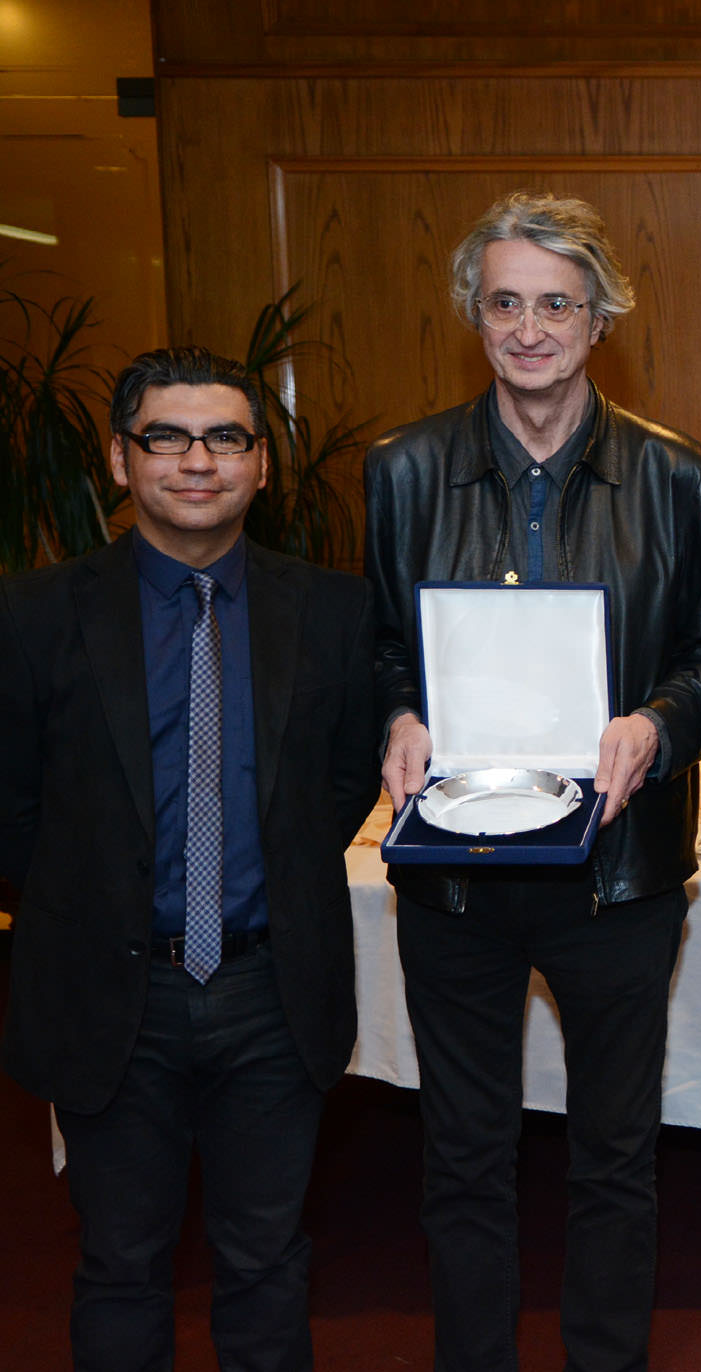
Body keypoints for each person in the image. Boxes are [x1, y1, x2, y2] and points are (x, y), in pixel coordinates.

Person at [363, 191, 701, 1372]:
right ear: (476, 314)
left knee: (614, 1156)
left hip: (616, 875)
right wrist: (399, 711)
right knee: (462, 1156)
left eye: (556, 304)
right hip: (453, 877)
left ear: (598, 319)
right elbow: (372, 646)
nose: (531, 327)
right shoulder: (404, 469)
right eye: (507, 301)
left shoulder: (674, 474)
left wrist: (658, 725)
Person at [0, 346, 376, 1371]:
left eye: (224, 437)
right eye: (167, 437)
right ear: (123, 461)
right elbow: (14, 810)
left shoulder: (334, 613)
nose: (196, 460)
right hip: (107, 995)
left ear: (261, 462)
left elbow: (342, 787)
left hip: (270, 989)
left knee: (266, 1260)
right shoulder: (32, 616)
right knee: (120, 1265)